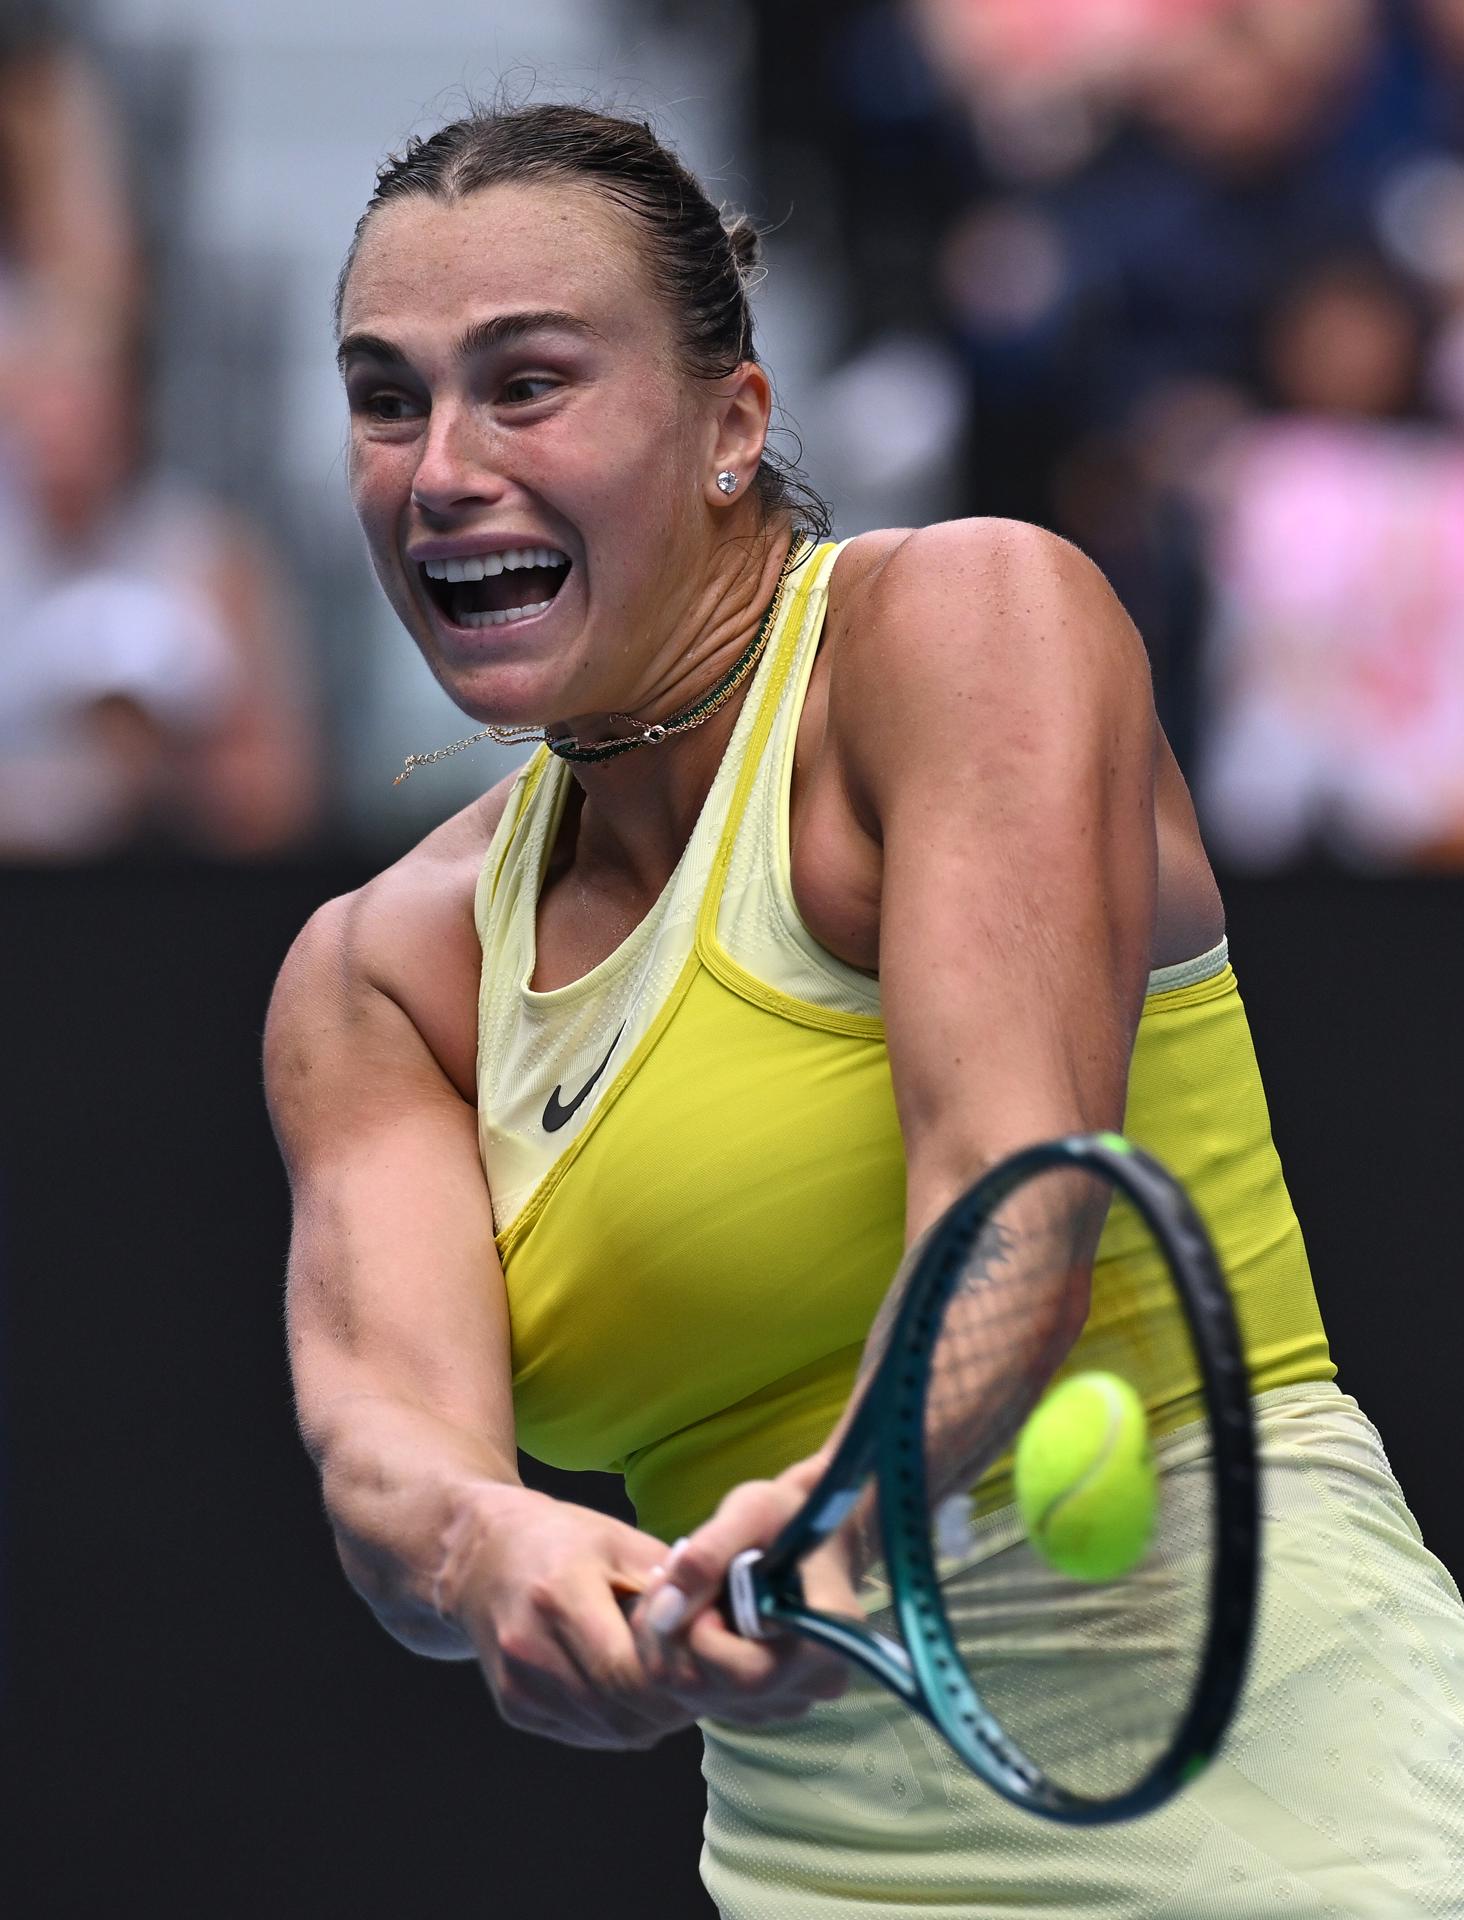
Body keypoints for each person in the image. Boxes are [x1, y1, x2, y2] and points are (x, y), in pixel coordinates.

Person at [265, 103, 1464, 1917]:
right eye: (386, 397)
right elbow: (389, 1443)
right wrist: (493, 1543)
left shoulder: (968, 625)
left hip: (1286, 1779)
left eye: (527, 385)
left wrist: (855, 1503)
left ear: (734, 425)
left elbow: (1019, 1203)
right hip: (817, 1865)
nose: (440, 466)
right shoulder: (375, 977)